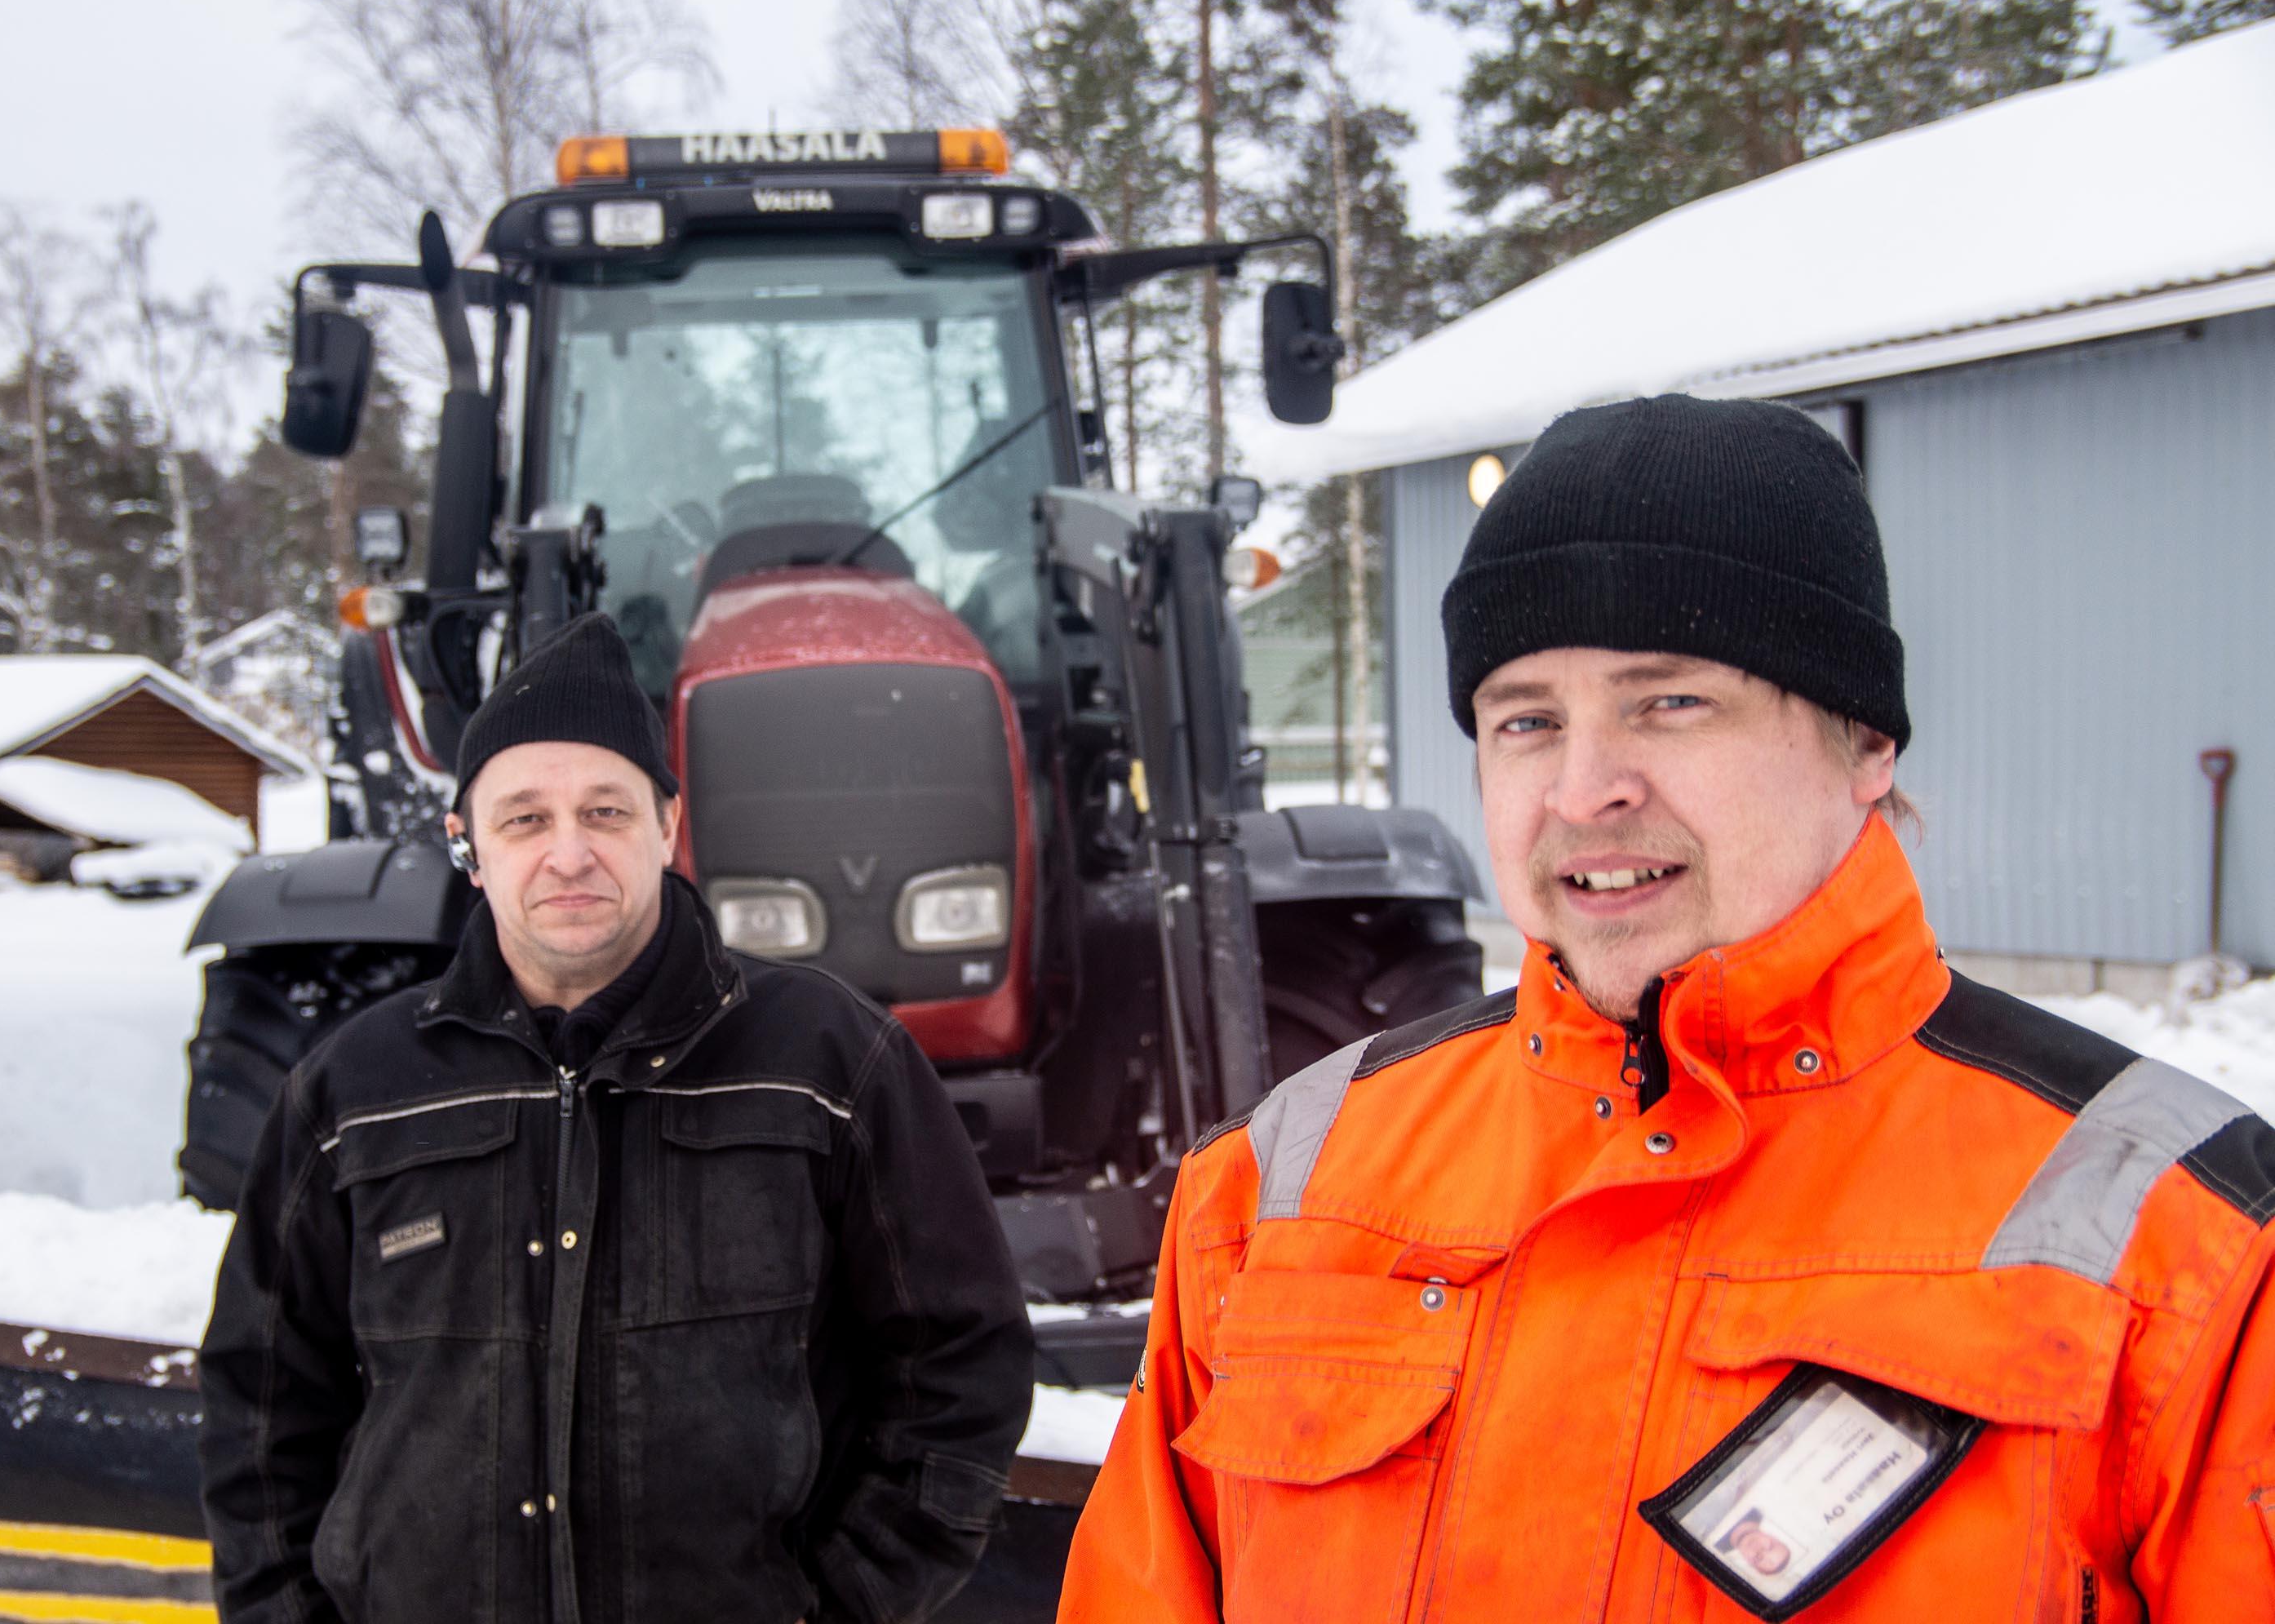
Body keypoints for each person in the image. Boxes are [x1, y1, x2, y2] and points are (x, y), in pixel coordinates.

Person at [1058, 397, 2275, 1622]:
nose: (1586, 790)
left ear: (1865, 743)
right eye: (1527, 720)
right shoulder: (1277, 1188)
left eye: (1670, 703)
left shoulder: (2181, 1247)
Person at [201, 614, 1034, 1624]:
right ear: (466, 844)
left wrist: (842, 1603)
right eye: (523, 818)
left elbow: (960, 1361)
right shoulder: (353, 1091)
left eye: (605, 810)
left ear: (669, 826)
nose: (569, 853)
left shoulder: (828, 1062)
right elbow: (262, 1401)